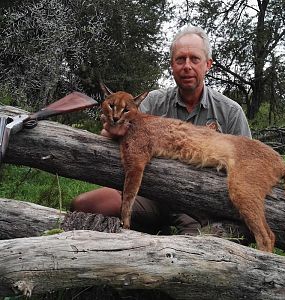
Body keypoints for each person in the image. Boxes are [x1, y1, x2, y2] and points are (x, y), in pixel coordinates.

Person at [70, 25, 252, 235]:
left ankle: (170, 239)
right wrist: (113, 130)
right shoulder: (153, 101)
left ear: (208, 65)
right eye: (180, 59)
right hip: (153, 194)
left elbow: (247, 166)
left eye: (194, 59)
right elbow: (113, 135)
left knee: (191, 251)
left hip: (200, 205)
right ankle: (146, 230)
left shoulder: (230, 112)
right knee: (84, 205)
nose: (187, 66)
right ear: (171, 66)